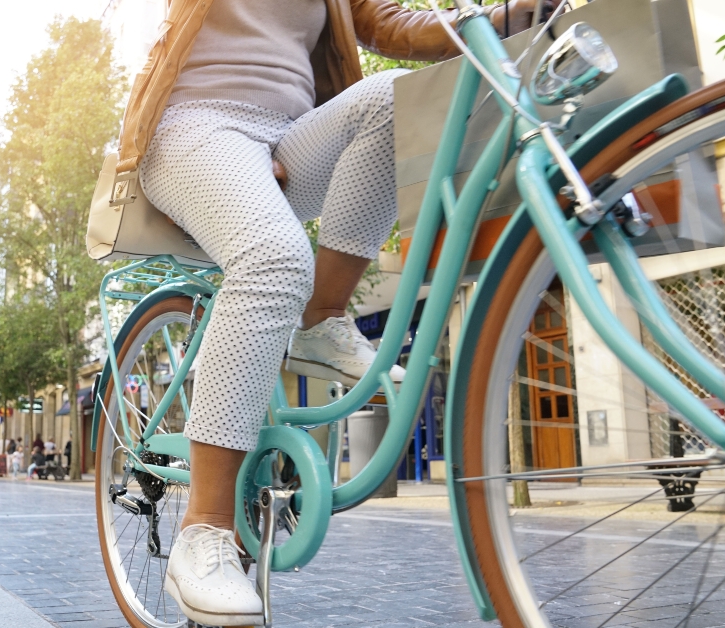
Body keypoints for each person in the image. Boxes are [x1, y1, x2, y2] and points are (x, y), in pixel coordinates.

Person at [119, 0, 552, 622]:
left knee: (388, 100)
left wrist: (493, 19)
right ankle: (205, 527)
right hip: (195, 127)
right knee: (274, 260)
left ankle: (321, 320)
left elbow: (386, 22)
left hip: (291, 137)